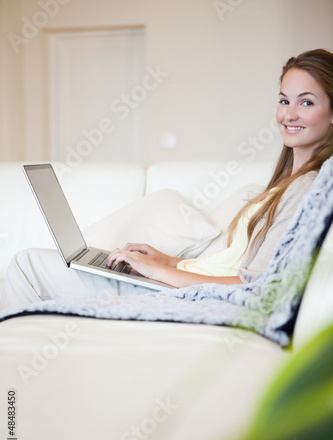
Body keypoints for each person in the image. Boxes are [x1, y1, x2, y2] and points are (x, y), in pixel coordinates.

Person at [0, 48, 333, 311]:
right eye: (284, 100)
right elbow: (232, 263)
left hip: (187, 292)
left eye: (306, 102)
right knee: (37, 262)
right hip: (183, 279)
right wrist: (166, 259)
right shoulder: (287, 182)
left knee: (27, 263)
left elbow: (254, 288)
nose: (289, 114)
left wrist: (157, 273)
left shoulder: (308, 188)